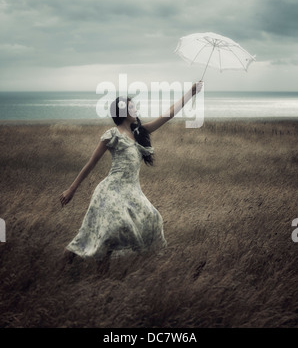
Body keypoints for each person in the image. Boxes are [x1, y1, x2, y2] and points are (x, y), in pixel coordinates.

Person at [59, 80, 203, 265]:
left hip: (132, 191)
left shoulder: (140, 131)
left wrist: (191, 92)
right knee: (98, 233)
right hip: (111, 190)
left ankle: (103, 276)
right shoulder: (112, 134)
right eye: (131, 108)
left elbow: (168, 115)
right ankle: (63, 267)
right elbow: (90, 164)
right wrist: (71, 190)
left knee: (153, 218)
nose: (135, 110)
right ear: (123, 113)